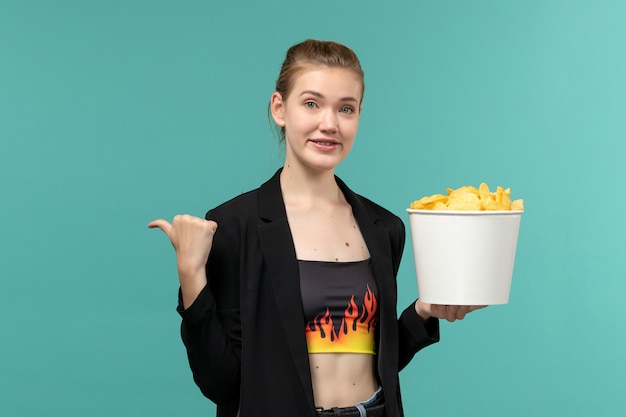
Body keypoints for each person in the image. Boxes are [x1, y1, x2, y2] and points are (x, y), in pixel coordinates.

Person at [149, 39, 484, 417]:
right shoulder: (233, 227)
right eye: (311, 103)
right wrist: (191, 275)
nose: (330, 124)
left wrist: (423, 312)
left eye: (346, 108)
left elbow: (379, 362)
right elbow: (221, 382)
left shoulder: (384, 228)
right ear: (280, 108)